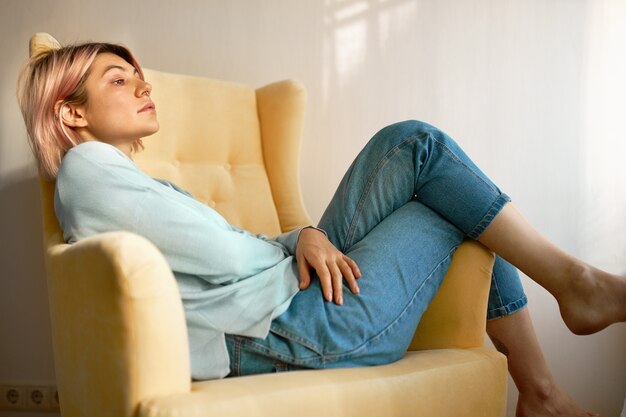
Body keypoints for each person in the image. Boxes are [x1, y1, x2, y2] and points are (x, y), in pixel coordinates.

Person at [17, 41, 625, 417]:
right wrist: (296, 237)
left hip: (293, 297)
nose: (140, 85)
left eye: (137, 74)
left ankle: (549, 372)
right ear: (72, 112)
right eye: (117, 80)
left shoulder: (117, 180)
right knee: (441, 183)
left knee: (410, 145)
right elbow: (228, 260)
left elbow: (224, 258)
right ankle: (568, 310)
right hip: (296, 327)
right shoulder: (87, 168)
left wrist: (303, 236)